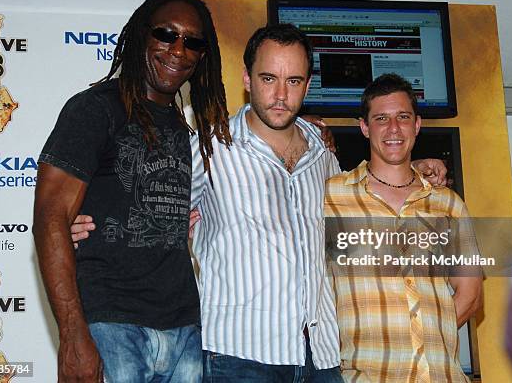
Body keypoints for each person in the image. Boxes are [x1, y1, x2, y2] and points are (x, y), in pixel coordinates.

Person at [71, 25, 447, 381]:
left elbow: (369, 191)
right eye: (269, 79)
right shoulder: (209, 148)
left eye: (293, 81)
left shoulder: (324, 155)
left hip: (323, 357)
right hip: (238, 357)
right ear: (248, 80)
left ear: (307, 85)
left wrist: (413, 167)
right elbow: (145, 205)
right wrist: (89, 224)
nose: (281, 95)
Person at [33, 0, 231, 383]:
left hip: (183, 330)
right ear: (142, 34)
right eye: (166, 34)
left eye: (193, 42)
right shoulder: (95, 108)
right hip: (112, 326)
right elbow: (50, 218)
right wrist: (73, 336)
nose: (178, 50)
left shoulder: (180, 126)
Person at [325, 73, 483, 382]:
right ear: (364, 127)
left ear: (417, 125)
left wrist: (428, 337)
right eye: (381, 118)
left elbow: (471, 294)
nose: (393, 128)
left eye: (403, 117)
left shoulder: (448, 204)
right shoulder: (329, 196)